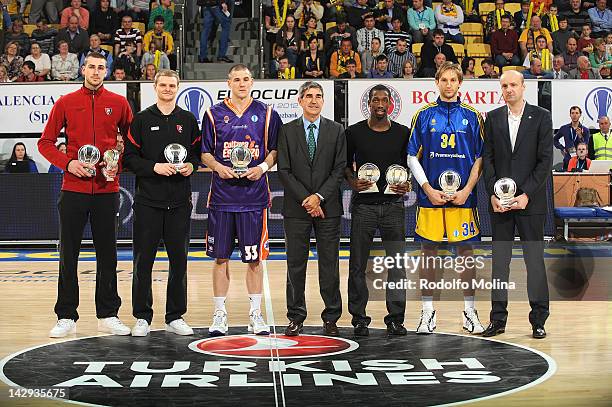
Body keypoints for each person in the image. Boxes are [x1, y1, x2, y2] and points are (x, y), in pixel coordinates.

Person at [38, 51, 133, 338]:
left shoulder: (119, 103)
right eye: (91, 67)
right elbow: (46, 143)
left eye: (101, 67)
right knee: (69, 253)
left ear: (107, 71)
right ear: (82, 70)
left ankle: (108, 314)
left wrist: (116, 160)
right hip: (73, 189)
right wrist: (69, 163)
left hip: (107, 189)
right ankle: (66, 315)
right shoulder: (66, 103)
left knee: (108, 254)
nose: (96, 71)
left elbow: (132, 142)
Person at [200, 64, 282, 336]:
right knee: (220, 259)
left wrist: (261, 168)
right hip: (222, 198)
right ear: (229, 83)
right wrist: (217, 167)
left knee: (255, 259)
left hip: (254, 198)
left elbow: (275, 150)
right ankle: (219, 314)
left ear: (253, 82)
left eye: (246, 79)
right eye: (237, 79)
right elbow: (204, 153)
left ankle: (255, 315)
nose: (242, 83)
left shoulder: (267, 113)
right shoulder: (213, 114)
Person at [407, 62, 486, 335]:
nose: (449, 84)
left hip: (463, 199)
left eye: (453, 80)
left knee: (465, 254)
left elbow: (480, 158)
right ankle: (427, 312)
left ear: (460, 83)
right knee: (428, 255)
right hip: (431, 198)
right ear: (437, 82)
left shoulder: (473, 116)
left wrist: (466, 191)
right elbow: (411, 157)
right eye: (444, 79)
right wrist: (427, 188)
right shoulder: (424, 115)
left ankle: (470, 311)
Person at [122, 69, 200, 337]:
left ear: (177, 88)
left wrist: (191, 164)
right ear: (155, 87)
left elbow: (199, 153)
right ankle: (142, 316)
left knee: (179, 262)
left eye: (172, 85)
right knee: (143, 263)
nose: (168, 89)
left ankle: (175, 316)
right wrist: (154, 167)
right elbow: (129, 158)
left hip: (179, 203)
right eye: (163, 85)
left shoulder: (187, 119)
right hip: (148, 203)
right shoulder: (142, 120)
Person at [482, 70, 552, 339]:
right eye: (504, 86)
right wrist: (492, 193)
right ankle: (497, 319)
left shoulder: (542, 117)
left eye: (513, 85)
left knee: (534, 262)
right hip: (500, 204)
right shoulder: (493, 118)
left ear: (523, 87)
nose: (508, 89)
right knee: (500, 264)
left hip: (529, 204)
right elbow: (487, 159)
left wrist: (526, 195)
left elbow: (545, 162)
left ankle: (538, 320)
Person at [277, 81, 346, 337]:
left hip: (329, 208)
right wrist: (307, 199)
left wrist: (318, 197)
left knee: (329, 264)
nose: (314, 101)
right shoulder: (286, 130)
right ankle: (296, 316)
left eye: (318, 96)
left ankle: (331, 317)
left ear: (323, 101)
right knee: (296, 265)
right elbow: (283, 170)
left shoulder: (337, 130)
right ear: (300, 101)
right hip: (296, 209)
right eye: (309, 96)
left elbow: (339, 169)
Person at [344, 84, 411, 337]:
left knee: (396, 265)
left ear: (390, 103)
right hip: (364, 208)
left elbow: (410, 166)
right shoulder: (354, 132)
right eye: (375, 100)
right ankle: (359, 318)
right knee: (357, 265)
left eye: (384, 100)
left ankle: (395, 318)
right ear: (369, 103)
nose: (380, 104)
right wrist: (352, 182)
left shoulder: (403, 133)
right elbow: (344, 165)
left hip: (393, 207)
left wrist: (408, 185)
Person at [553, 106, 590, 170]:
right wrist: (562, 148)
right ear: (570, 115)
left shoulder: (585, 130)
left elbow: (586, 145)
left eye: (576, 113)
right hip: (568, 158)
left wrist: (580, 136)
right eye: (572, 113)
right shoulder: (564, 128)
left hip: (581, 160)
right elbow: (554, 139)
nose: (574, 115)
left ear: (580, 114)